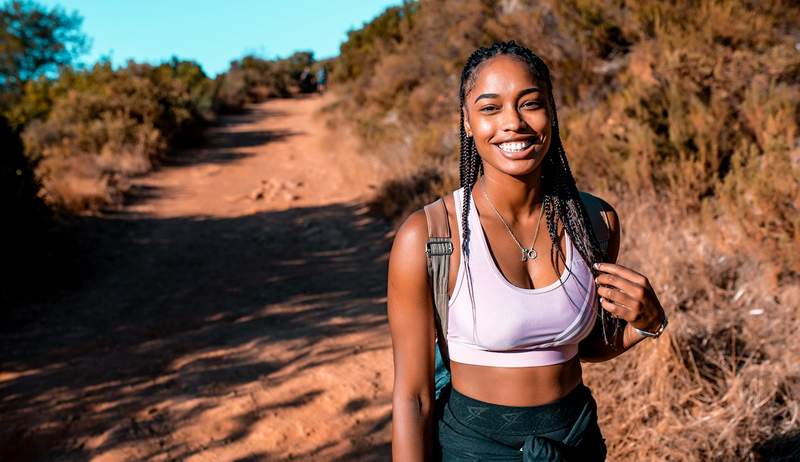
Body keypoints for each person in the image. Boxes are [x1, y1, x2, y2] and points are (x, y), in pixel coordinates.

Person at [387, 41, 668, 461]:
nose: (513, 123)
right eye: (490, 108)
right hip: (475, 447)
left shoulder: (595, 221)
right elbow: (414, 397)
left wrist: (645, 324)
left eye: (530, 103)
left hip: (575, 442)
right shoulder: (428, 236)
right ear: (467, 122)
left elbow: (578, 346)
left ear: (551, 112)